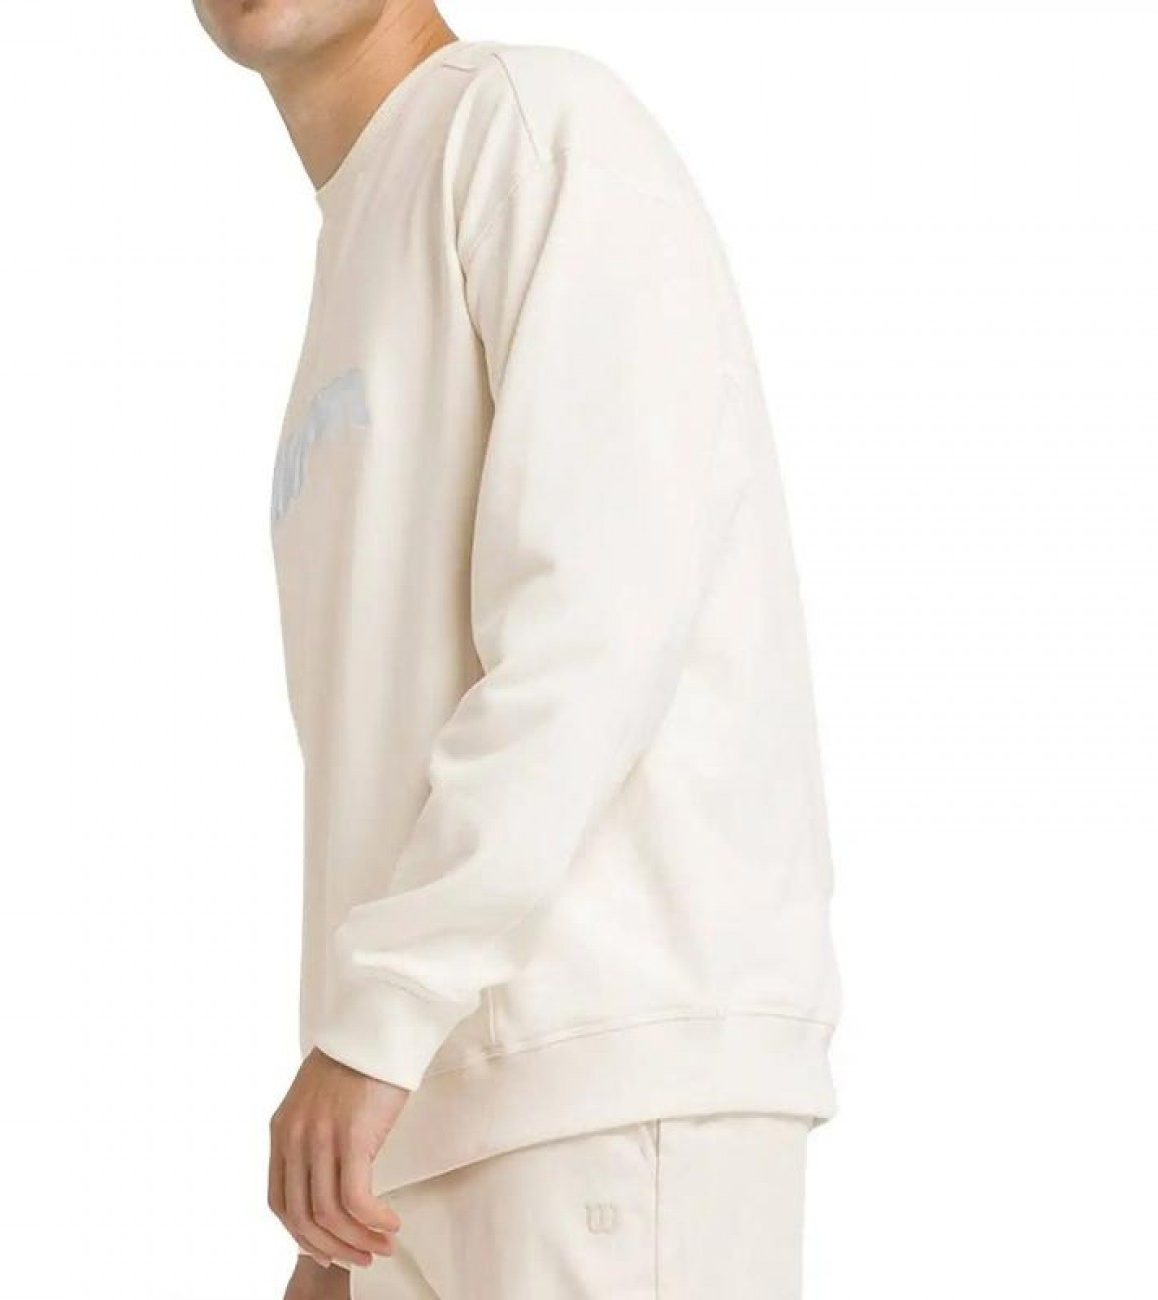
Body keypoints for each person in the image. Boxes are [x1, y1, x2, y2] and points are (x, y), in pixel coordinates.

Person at [192, 2, 841, 1296]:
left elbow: (592, 624)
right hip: (429, 1120)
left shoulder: (526, 125)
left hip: (597, 1073)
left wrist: (377, 1027)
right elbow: (394, 733)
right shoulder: (365, 235)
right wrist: (356, 1175)